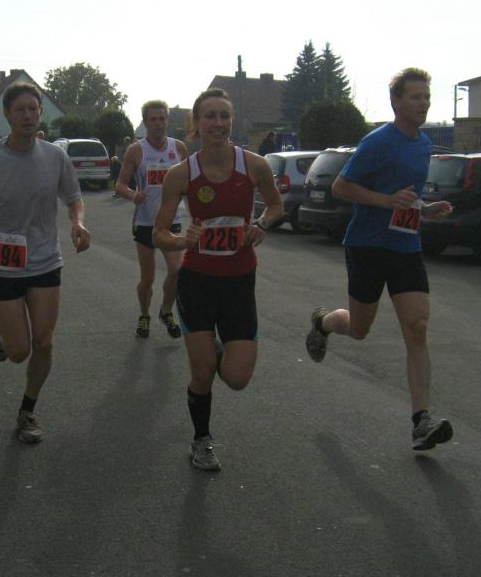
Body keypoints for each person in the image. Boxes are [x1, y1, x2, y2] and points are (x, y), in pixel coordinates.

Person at [304, 67, 455, 451]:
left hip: (406, 247)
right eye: (416, 96)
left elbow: (406, 197)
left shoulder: (423, 145)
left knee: (417, 327)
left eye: (426, 96)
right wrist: (385, 201)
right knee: (359, 328)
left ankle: (421, 422)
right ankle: (323, 322)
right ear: (396, 101)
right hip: (367, 246)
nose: (423, 103)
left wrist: (427, 209)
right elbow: (341, 187)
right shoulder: (377, 142)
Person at [0, 82, 90, 444]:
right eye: (20, 110)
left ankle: (27, 410)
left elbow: (74, 197)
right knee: (18, 352)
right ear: (8, 115)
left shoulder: (55, 156)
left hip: (45, 260)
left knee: (44, 342)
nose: (28, 116)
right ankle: (2, 328)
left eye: (33, 109)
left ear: (40, 113)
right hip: (2, 265)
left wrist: (77, 222)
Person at [154, 88, 284, 471]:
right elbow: (158, 233)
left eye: (224, 116)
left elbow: (275, 205)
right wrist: (182, 240)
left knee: (238, 378)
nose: (218, 123)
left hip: (239, 281)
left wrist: (261, 224)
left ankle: (217, 350)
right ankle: (201, 440)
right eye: (210, 116)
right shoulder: (181, 174)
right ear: (196, 123)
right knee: (202, 372)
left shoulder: (255, 166)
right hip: (197, 282)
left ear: (232, 121)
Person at [115, 100, 189, 339]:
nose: (158, 124)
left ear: (167, 120)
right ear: (145, 122)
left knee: (177, 271)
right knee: (148, 278)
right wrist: (133, 195)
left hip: (171, 221)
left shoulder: (179, 148)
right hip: (145, 222)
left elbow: (190, 184)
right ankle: (144, 314)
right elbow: (120, 184)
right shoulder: (137, 150)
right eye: (153, 119)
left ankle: (166, 311)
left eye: (162, 119)